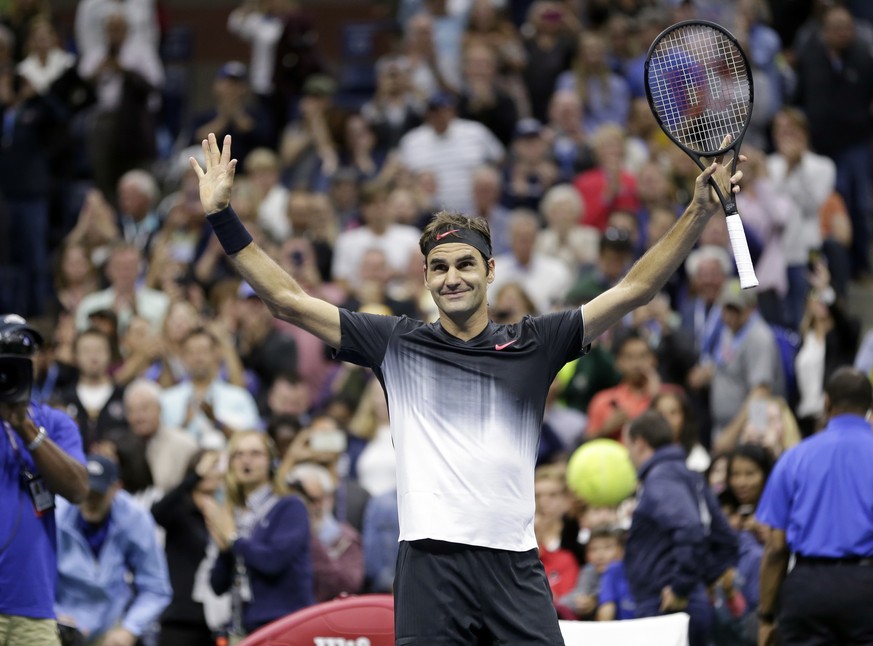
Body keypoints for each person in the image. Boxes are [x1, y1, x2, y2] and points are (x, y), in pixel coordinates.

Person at [189, 130, 743, 644]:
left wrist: (697, 210)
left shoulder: (536, 342)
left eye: (465, 264)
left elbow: (635, 290)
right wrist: (222, 217)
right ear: (426, 278)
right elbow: (287, 299)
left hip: (514, 564)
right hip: (431, 566)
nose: (452, 277)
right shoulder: (395, 342)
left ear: (491, 270)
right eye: (438, 267)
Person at [756, 367, 873, 646]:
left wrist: (765, 617)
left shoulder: (795, 458)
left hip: (807, 590)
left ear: (826, 402)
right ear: (870, 405)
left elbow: (775, 548)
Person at [0, 314, 88, 646]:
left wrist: (25, 427)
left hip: (33, 605)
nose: (18, 359)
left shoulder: (55, 422)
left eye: (27, 349)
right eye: (6, 349)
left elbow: (79, 489)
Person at [624, 410, 738, 646]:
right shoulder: (689, 475)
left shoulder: (661, 477)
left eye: (628, 446)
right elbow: (726, 539)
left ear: (640, 443)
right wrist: (703, 579)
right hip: (687, 603)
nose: (627, 455)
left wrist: (681, 587)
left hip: (666, 608)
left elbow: (690, 529)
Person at [204, 430, 314, 637]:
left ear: (271, 461)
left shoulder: (290, 507)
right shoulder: (232, 513)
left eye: (255, 453)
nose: (246, 460)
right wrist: (224, 550)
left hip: (286, 623)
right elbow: (217, 585)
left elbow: (273, 561)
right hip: (244, 625)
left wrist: (233, 539)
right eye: (239, 454)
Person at [55, 453, 172, 646]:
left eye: (98, 494)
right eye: (86, 492)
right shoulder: (58, 514)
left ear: (116, 488)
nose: (91, 500)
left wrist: (130, 628)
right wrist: (55, 616)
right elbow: (35, 579)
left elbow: (156, 587)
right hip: (62, 622)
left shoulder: (135, 518)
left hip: (111, 627)